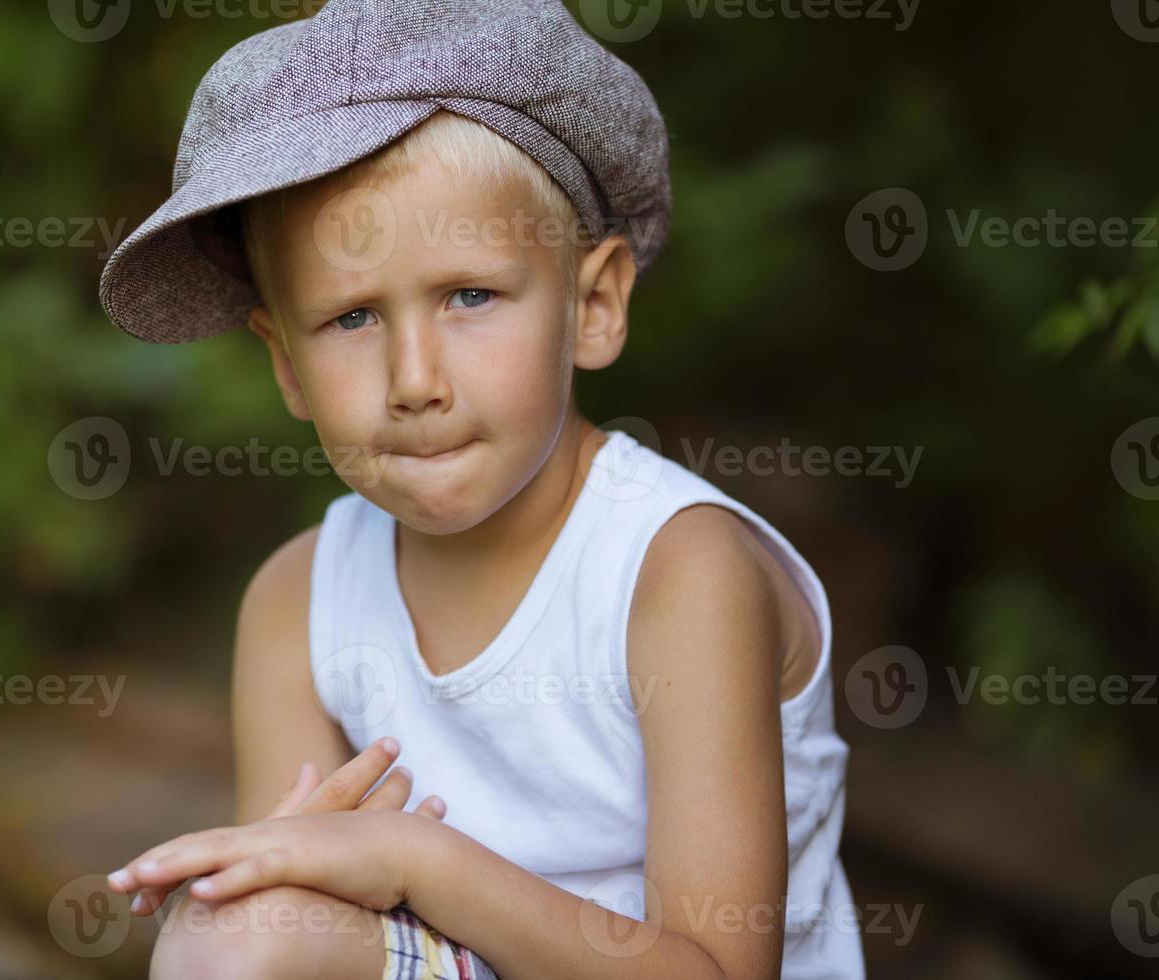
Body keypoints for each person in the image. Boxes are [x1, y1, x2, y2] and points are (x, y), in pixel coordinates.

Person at [100, 1, 863, 977]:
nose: (415, 378)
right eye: (350, 318)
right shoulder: (297, 602)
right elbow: (293, 901)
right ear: (284, 361)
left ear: (591, 305)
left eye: (470, 295)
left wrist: (417, 858)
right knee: (226, 933)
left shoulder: (674, 570)